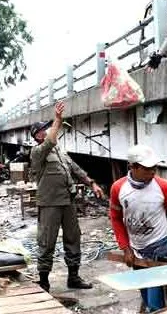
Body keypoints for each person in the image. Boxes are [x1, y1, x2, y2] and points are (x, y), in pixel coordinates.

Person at [30, 100, 105, 292]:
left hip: (67, 202)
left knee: (73, 238)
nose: (48, 131)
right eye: (44, 130)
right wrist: (57, 119)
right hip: (50, 203)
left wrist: (92, 183)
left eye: (48, 128)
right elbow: (50, 141)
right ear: (37, 135)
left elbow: (75, 169)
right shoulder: (37, 152)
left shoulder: (60, 152)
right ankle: (44, 281)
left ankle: (73, 277)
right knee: (47, 241)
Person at [109, 144, 167, 312]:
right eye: (147, 168)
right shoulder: (118, 188)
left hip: (162, 246)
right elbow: (116, 219)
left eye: (154, 167)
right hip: (137, 250)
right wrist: (125, 248)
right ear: (132, 167)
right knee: (146, 296)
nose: (153, 171)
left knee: (154, 305)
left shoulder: (164, 187)